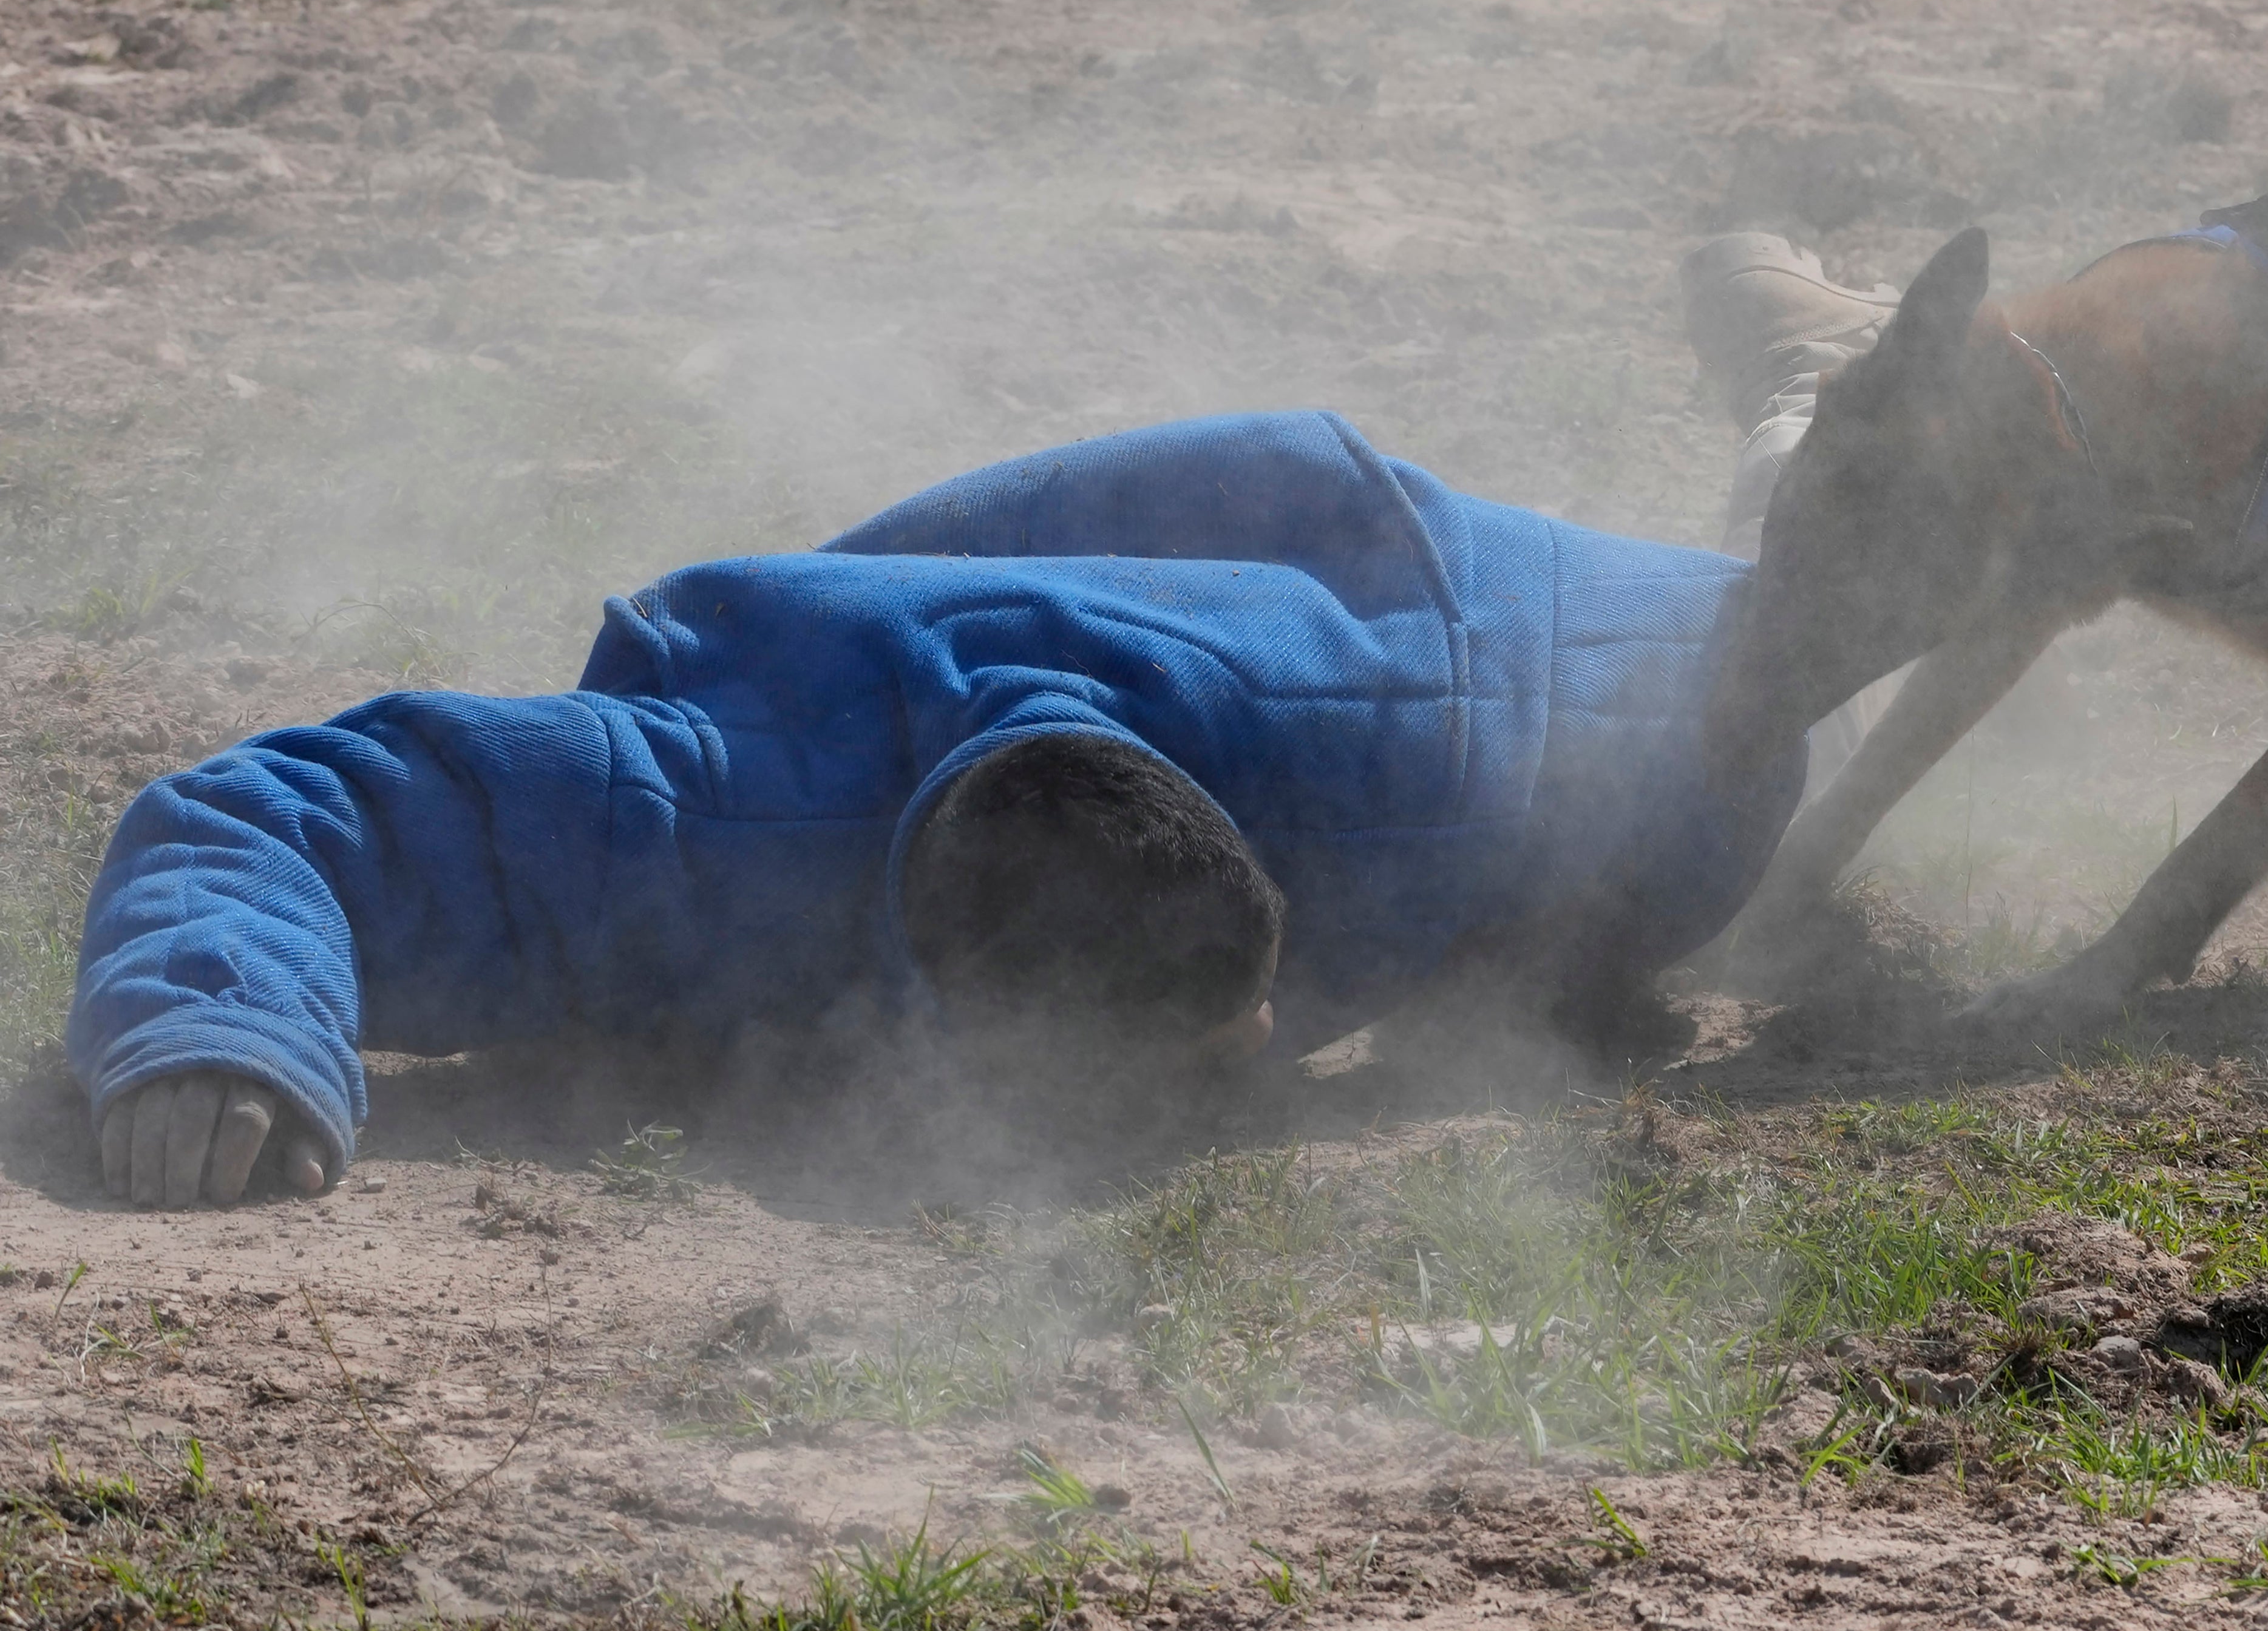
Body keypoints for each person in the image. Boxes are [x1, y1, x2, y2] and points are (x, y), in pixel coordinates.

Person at [73, 239, 1905, 1210]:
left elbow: (1729, 675)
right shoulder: (687, 825)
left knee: (1837, 595)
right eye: (1189, 1073)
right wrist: (216, 1028)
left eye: (1243, 1025)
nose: (1254, 1074)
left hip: (1432, 584)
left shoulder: (1438, 756)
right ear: (981, 1039)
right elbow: (269, 813)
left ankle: (1815, 379)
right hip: (884, 662)